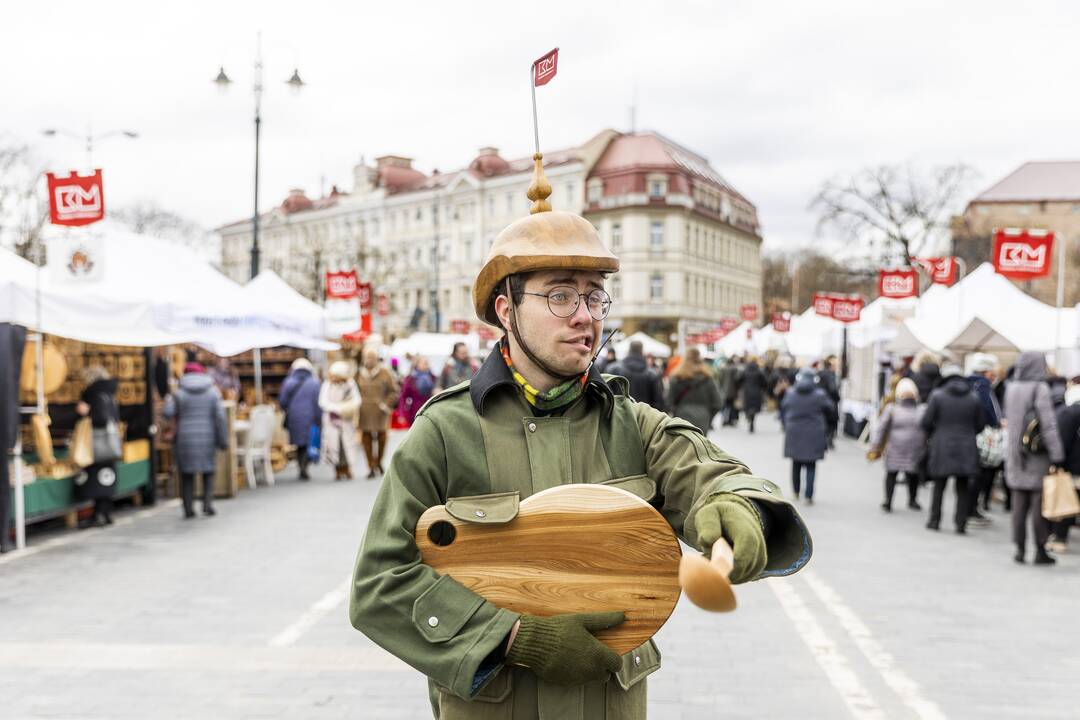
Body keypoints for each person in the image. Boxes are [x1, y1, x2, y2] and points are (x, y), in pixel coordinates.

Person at [349, 201, 812, 719]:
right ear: (507, 310)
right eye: (561, 295)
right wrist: (514, 637)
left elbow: (715, 478)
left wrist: (737, 506)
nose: (585, 316)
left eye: (594, 297)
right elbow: (379, 585)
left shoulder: (631, 423)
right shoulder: (444, 432)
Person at [1004, 352, 1065, 564]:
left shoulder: (1011, 387)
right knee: (1039, 504)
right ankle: (1040, 549)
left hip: (1014, 453)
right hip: (1036, 455)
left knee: (1019, 504)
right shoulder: (1040, 388)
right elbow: (1048, 424)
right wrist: (1057, 454)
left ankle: (1019, 548)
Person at [921, 364, 985, 534]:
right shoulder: (973, 397)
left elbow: (926, 422)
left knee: (939, 485)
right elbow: (980, 425)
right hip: (966, 446)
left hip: (941, 444)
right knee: (963, 487)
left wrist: (935, 433)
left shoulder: (937, 396)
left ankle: (934, 520)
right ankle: (960, 523)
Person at [163, 362, 226, 519]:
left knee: (186, 475)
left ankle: (188, 508)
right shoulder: (213, 392)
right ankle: (207, 504)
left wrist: (170, 399)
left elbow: (167, 412)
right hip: (208, 436)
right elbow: (220, 418)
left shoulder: (179, 393)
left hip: (185, 438)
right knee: (208, 471)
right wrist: (222, 439)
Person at [780, 369, 837, 505]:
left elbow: (783, 408)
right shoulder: (820, 395)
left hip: (794, 431)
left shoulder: (791, 393)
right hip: (814, 432)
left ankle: (795, 491)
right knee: (811, 465)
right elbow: (830, 409)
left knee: (796, 463)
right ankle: (808, 495)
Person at [868, 378, 925, 512]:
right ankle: (912, 500)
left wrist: (875, 445)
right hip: (915, 448)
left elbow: (881, 428)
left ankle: (888, 500)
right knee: (912, 475)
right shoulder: (922, 410)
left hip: (895, 447)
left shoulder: (891, 409)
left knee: (892, 474)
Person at [75, 366, 122, 527]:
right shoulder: (110, 394)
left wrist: (87, 412)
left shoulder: (94, 394)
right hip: (109, 443)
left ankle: (98, 514)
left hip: (97, 443)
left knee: (96, 478)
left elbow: (100, 418)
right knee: (107, 478)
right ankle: (106, 512)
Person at [966, 353, 1002, 523]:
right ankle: (971, 509)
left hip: (972, 434)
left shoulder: (971, 384)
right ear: (986, 371)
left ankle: (971, 508)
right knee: (979, 474)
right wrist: (997, 423)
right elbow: (987, 411)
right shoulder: (982, 386)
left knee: (976, 473)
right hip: (981, 435)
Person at [357, 347, 400, 479]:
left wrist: (385, 405)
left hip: (380, 412)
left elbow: (394, 391)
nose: (369, 360)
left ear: (377, 359)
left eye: (371, 357)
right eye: (367, 357)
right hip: (364, 411)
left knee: (382, 437)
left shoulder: (385, 372)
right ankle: (371, 465)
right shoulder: (359, 373)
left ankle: (379, 461)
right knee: (366, 438)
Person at [1048, 382, 1080, 552]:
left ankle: (1060, 539)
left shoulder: (1069, 413)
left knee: (1067, 502)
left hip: (1073, 466)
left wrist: (1057, 463)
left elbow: (1063, 441)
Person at [279, 357, 321, 480]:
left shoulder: (288, 382)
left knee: (299, 444)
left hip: (294, 417)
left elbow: (282, 401)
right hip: (310, 417)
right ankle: (305, 465)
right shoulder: (315, 382)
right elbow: (318, 402)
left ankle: (301, 465)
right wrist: (318, 419)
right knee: (309, 441)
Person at [319, 361, 361, 480]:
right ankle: (337, 469)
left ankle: (347, 468)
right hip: (331, 421)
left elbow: (356, 400)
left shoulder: (350, 384)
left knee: (346, 445)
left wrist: (345, 409)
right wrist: (337, 408)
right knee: (333, 445)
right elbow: (323, 401)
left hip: (346, 420)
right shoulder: (327, 385)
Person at [666, 347, 722, 434]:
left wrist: (674, 413)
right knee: (700, 446)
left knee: (682, 446)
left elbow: (668, 402)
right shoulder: (708, 378)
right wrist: (708, 417)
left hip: (681, 419)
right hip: (703, 420)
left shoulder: (677, 378)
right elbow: (717, 403)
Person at [608, 339, 666, 412]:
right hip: (643, 418)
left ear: (629, 350)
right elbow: (658, 403)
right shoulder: (652, 374)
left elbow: (607, 397)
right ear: (642, 352)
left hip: (618, 415)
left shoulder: (614, 370)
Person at [397, 356, 436, 427]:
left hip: (431, 412)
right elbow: (404, 397)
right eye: (424, 362)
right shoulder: (410, 379)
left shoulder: (433, 378)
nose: (426, 364)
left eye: (427, 362)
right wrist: (402, 414)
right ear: (417, 365)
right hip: (415, 413)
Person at [817, 356, 840, 446]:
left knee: (824, 420)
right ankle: (828, 439)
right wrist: (837, 398)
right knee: (831, 421)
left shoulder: (819, 374)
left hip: (820, 400)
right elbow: (833, 389)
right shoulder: (830, 375)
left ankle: (824, 439)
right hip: (830, 400)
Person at [740, 358, 767, 433]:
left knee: (748, 406)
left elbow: (739, 379)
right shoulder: (759, 372)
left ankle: (749, 416)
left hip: (747, 392)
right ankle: (752, 419)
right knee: (754, 408)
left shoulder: (745, 371)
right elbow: (764, 382)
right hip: (757, 392)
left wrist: (742, 385)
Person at [716, 356, 741, 426]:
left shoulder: (722, 369)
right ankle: (731, 420)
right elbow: (737, 380)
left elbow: (720, 381)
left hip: (724, 391)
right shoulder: (735, 369)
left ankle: (724, 420)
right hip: (733, 391)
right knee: (732, 406)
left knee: (725, 406)